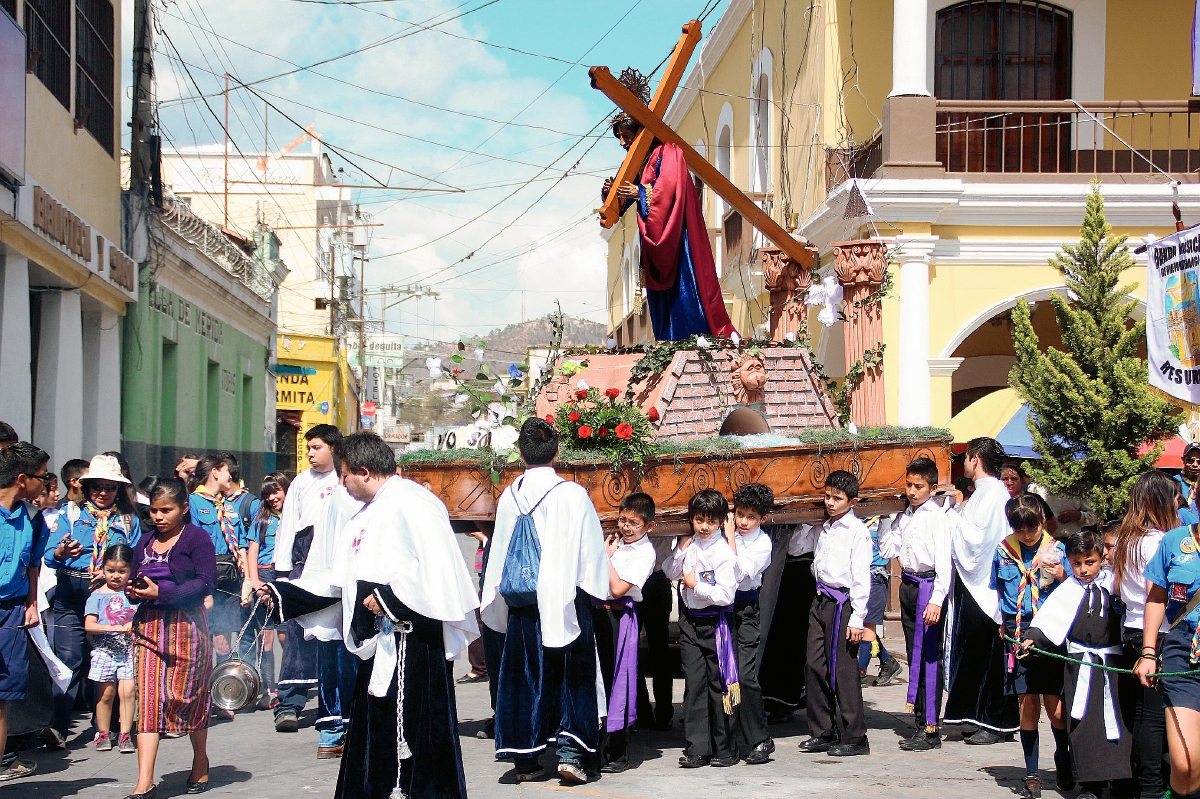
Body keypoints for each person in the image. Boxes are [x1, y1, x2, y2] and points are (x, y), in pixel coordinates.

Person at [262, 432, 479, 799]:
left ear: (362, 471)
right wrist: (284, 595)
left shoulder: (414, 503)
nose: (341, 485)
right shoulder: (370, 511)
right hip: (380, 646)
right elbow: (339, 580)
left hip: (414, 649)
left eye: (344, 475)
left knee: (414, 743)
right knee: (372, 739)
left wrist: (390, 598)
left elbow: (441, 574)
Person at [481, 418, 610, 783]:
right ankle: (571, 753)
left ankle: (524, 760)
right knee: (573, 676)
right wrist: (594, 591)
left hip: (522, 603)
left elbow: (501, 551)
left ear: (520, 452)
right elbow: (590, 552)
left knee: (525, 678)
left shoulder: (510, 495)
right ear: (557, 450)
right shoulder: (572, 494)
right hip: (566, 598)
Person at [601, 69, 737, 341]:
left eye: (626, 134)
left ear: (641, 130)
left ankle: (695, 340)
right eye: (618, 137)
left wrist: (639, 193)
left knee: (683, 294)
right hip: (654, 249)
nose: (622, 142)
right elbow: (622, 206)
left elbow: (669, 192)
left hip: (677, 241)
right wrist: (611, 195)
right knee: (662, 303)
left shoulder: (669, 153)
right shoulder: (637, 164)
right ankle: (668, 342)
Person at [42, 453, 142, 747]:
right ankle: (58, 725)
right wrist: (62, 553)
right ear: (85, 488)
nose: (102, 493)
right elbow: (49, 555)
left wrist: (114, 576)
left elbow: (135, 560)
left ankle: (112, 727)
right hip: (72, 591)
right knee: (69, 658)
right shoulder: (70, 514)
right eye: (96, 486)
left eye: (109, 487)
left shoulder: (127, 520)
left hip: (111, 596)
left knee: (113, 660)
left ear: (118, 490)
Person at [126, 476, 217, 798]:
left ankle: (201, 760)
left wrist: (162, 592)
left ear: (183, 508)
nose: (159, 517)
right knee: (148, 701)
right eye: (154, 511)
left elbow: (205, 583)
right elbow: (136, 577)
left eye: (166, 510)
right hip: (148, 628)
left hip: (187, 629)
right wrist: (133, 590)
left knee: (190, 698)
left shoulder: (197, 538)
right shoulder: (145, 541)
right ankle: (144, 781)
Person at [272, 424, 359, 757]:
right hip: (312, 566)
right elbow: (289, 527)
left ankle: (341, 723)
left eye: (317, 447)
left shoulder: (349, 487)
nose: (310, 453)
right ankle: (294, 702)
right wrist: (284, 575)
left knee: (343, 644)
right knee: (306, 637)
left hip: (346, 572)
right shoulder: (305, 483)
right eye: (308, 448)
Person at [1025, 528, 1131, 799]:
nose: (1083, 569)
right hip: (1080, 666)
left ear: (1101, 557)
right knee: (1083, 725)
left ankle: (1118, 782)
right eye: (1076, 563)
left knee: (1117, 723)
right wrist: (1033, 638)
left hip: (1113, 665)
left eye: (1090, 562)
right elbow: (1049, 620)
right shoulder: (1069, 589)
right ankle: (1090, 785)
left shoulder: (1114, 583)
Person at [943, 437, 1021, 743]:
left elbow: (979, 542)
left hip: (987, 584)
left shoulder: (993, 494)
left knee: (992, 657)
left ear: (976, 458)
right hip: (971, 582)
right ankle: (971, 714)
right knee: (973, 653)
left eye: (966, 457)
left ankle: (996, 722)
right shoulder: (983, 493)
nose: (963, 463)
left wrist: (952, 515)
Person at [994, 494, 1071, 799]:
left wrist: (1062, 575)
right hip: (1018, 629)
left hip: (1050, 630)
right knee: (1027, 704)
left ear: (1042, 518)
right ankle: (1031, 772)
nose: (1028, 534)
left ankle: (1063, 758)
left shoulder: (1057, 550)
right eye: (1021, 529)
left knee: (1055, 706)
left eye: (1033, 527)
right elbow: (996, 589)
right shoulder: (1003, 551)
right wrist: (1002, 621)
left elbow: (1074, 591)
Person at [793, 470, 872, 758]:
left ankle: (855, 734)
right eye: (827, 497)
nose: (830, 502)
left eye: (837, 498)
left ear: (852, 501)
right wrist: (806, 524)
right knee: (814, 664)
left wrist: (857, 618)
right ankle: (823, 730)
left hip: (844, 603)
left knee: (844, 670)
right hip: (820, 599)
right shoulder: (823, 527)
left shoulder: (857, 532)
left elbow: (863, 578)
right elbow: (798, 548)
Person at [878, 456, 954, 751]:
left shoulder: (937, 518)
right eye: (908, 485)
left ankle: (931, 727)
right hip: (909, 585)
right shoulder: (905, 516)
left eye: (918, 486)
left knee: (930, 657)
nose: (911, 491)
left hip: (929, 587)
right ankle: (921, 720)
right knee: (915, 653)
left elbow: (944, 565)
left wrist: (937, 600)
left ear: (932, 489)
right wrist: (885, 518)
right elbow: (888, 548)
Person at [1117, 471, 1184, 799]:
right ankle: (1152, 786)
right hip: (1155, 634)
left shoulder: (1128, 538)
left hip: (1131, 628)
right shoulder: (1158, 541)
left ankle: (1143, 781)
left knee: (1143, 712)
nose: (1178, 501)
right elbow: (1156, 593)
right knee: (1154, 715)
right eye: (1173, 496)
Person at [665, 488, 739, 768]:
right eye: (699, 520)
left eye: (710, 521)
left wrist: (698, 586)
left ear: (721, 522)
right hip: (691, 621)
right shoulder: (689, 545)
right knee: (694, 685)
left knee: (719, 686)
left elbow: (726, 595)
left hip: (716, 623)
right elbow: (671, 572)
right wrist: (680, 550)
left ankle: (725, 748)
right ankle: (697, 748)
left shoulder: (723, 552)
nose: (704, 527)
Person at [1136, 503, 1200, 799]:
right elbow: (1157, 597)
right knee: (1185, 763)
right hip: (1183, 652)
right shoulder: (1174, 541)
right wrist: (1149, 651)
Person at [593, 492, 656, 773]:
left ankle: (617, 752)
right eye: (622, 520)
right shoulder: (617, 543)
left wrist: (605, 557)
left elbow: (618, 588)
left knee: (617, 683)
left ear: (649, 526)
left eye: (634, 523)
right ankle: (596, 745)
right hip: (599, 612)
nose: (626, 527)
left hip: (620, 616)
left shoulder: (645, 552)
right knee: (598, 681)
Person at [0, 442, 51, 782]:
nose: (45, 486)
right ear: (22, 479)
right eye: (42, 478)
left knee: (2, 696)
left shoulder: (33, 519)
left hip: (11, 612)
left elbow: (33, 565)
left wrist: (31, 604)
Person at [727, 483, 775, 764]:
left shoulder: (762, 543)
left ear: (763, 519)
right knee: (725, 675)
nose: (743, 522)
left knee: (745, 676)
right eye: (740, 514)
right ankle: (727, 740)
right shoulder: (726, 532)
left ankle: (760, 738)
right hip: (720, 607)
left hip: (745, 607)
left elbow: (740, 572)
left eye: (751, 517)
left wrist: (730, 538)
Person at [188, 454, 247, 671]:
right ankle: (203, 695)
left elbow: (241, 544)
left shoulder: (228, 505)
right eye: (226, 471)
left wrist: (247, 580)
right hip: (206, 576)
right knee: (203, 639)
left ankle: (223, 694)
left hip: (231, 578)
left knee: (224, 642)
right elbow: (191, 543)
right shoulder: (193, 502)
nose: (230, 476)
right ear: (214, 472)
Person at [84, 544, 138, 754]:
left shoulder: (135, 593)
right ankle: (103, 733)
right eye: (110, 571)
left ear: (131, 570)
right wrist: (114, 627)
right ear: (103, 569)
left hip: (128, 651)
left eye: (122, 571)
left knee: (128, 692)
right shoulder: (97, 596)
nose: (116, 576)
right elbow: (89, 625)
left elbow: (142, 618)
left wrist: (133, 625)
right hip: (104, 651)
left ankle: (126, 734)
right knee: (105, 694)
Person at [247, 472, 290, 710]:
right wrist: (255, 581)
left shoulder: (295, 517)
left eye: (276, 491)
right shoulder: (261, 519)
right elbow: (252, 551)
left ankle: (289, 685)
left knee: (286, 636)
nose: (273, 497)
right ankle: (269, 690)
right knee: (266, 638)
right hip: (264, 576)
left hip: (284, 577)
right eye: (267, 494)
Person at [859, 515, 901, 687]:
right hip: (857, 578)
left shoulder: (883, 519)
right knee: (858, 626)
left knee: (867, 626)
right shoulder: (854, 518)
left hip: (876, 577)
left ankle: (860, 671)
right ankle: (887, 661)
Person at [1175, 442, 1200, 512]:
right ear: (1183, 460)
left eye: (1199, 461)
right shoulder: (1172, 483)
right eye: (1190, 460)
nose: (1195, 464)